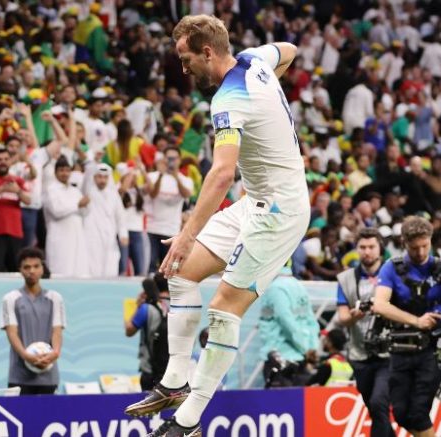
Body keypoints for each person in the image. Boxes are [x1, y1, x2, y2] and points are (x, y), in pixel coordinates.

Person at [125, 16, 308, 436]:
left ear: (207, 52)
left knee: (224, 308)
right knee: (180, 271)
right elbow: (290, 50)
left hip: (280, 213)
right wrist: (267, 98)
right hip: (254, 201)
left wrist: (187, 233)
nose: (183, 68)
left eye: (186, 59)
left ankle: (188, 420)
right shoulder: (255, 60)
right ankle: (175, 380)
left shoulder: (227, 100)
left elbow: (223, 173)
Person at [373, 216, 441, 437]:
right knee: (401, 414)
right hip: (401, 346)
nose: (420, 252)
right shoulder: (391, 268)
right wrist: (417, 321)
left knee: (418, 413)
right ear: (404, 243)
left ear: (431, 241)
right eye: (414, 247)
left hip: (434, 348)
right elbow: (379, 304)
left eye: (425, 246)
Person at [335, 227, 394, 437]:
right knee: (376, 410)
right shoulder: (345, 278)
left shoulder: (393, 274)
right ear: (357, 249)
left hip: (389, 353)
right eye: (362, 247)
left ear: (380, 249)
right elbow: (342, 318)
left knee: (379, 403)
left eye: (371, 247)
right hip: (359, 355)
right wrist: (355, 315)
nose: (367, 251)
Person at [0, 248, 66, 395]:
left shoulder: (55, 298)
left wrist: (55, 353)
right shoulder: (10, 298)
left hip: (49, 376)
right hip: (19, 376)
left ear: (42, 268)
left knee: (48, 411)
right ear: (20, 270)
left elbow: (57, 331)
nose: (32, 271)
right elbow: (12, 332)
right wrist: (26, 356)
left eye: (36, 266)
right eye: (27, 267)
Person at [145, 146, 194, 273]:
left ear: (179, 160)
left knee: (167, 269)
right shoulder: (153, 176)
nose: (171, 161)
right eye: (168, 158)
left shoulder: (186, 180)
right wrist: (161, 175)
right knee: (150, 267)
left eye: (174, 158)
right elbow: (152, 194)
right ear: (163, 159)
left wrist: (176, 177)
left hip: (171, 230)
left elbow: (187, 194)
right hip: (151, 228)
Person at [258, 268, 319, 363]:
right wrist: (312, 347)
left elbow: (285, 320)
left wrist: (304, 348)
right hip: (300, 355)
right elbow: (311, 320)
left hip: (281, 354)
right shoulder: (299, 286)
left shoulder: (275, 288)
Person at [43, 155, 90, 277]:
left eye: (67, 170)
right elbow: (56, 211)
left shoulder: (75, 191)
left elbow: (84, 213)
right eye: (61, 170)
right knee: (60, 269)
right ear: (55, 172)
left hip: (77, 236)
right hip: (60, 237)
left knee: (78, 269)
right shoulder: (50, 189)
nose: (65, 173)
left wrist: (85, 205)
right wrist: (78, 205)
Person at [125, 274, 170, 390]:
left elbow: (129, 331)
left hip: (150, 372)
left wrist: (137, 306)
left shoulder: (146, 308)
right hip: (174, 372)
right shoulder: (179, 307)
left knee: (150, 402)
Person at [83, 162, 128, 278]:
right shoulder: (88, 193)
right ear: (94, 177)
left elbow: (120, 216)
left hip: (110, 237)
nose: (102, 180)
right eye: (99, 177)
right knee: (92, 266)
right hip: (91, 236)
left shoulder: (114, 195)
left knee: (111, 266)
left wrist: (123, 234)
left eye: (105, 177)